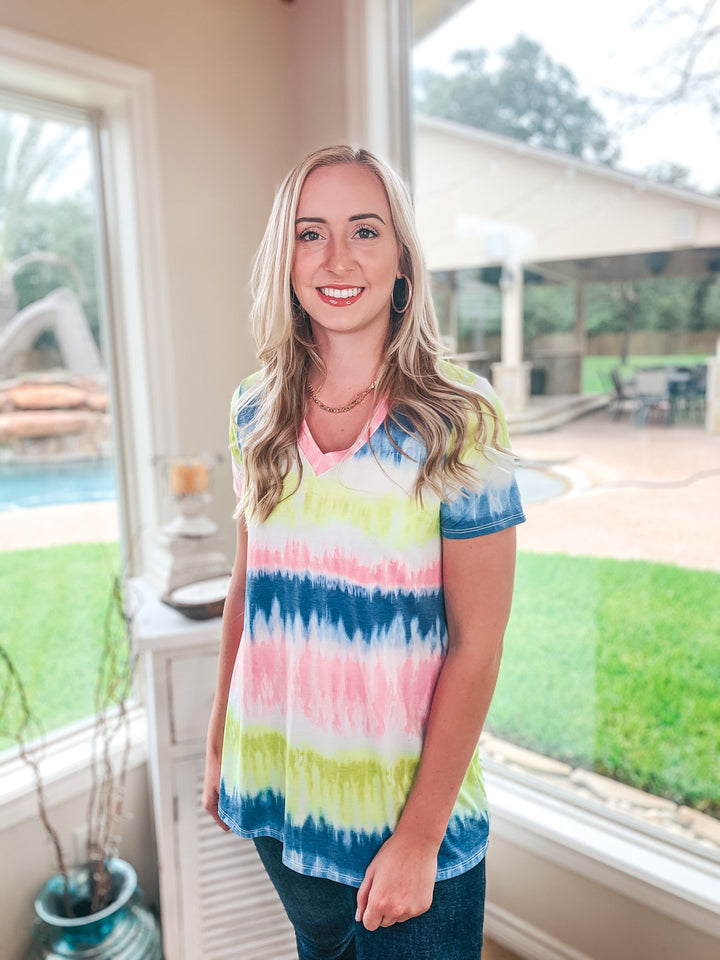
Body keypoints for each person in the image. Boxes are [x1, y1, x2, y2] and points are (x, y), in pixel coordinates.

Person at [203, 144, 525, 960]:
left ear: (403, 260)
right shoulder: (253, 409)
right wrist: (218, 746)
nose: (337, 259)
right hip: (276, 795)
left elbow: (477, 643)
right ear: (286, 257)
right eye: (311, 233)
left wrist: (419, 841)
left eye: (365, 231)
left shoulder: (462, 418)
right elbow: (250, 587)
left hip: (404, 827)